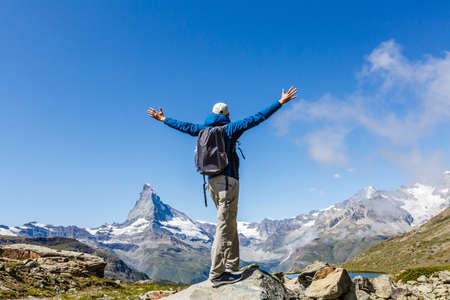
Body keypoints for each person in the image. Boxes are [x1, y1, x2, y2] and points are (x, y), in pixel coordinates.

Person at [147, 86, 298, 287]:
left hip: (211, 183)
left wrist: (163, 119)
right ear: (226, 115)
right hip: (228, 182)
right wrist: (280, 102)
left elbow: (183, 126)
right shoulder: (229, 129)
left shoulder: (201, 130)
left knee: (229, 223)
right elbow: (257, 117)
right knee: (224, 226)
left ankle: (232, 266)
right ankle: (217, 275)